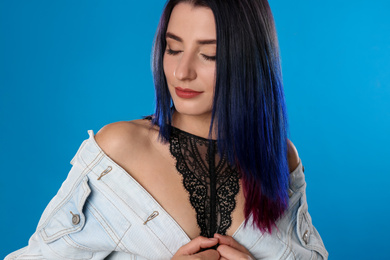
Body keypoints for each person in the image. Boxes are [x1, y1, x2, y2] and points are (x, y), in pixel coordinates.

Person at [6, 0, 328, 259]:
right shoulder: (120, 149)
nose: (181, 71)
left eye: (208, 55)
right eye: (173, 49)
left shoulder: (278, 157)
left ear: (250, 61)